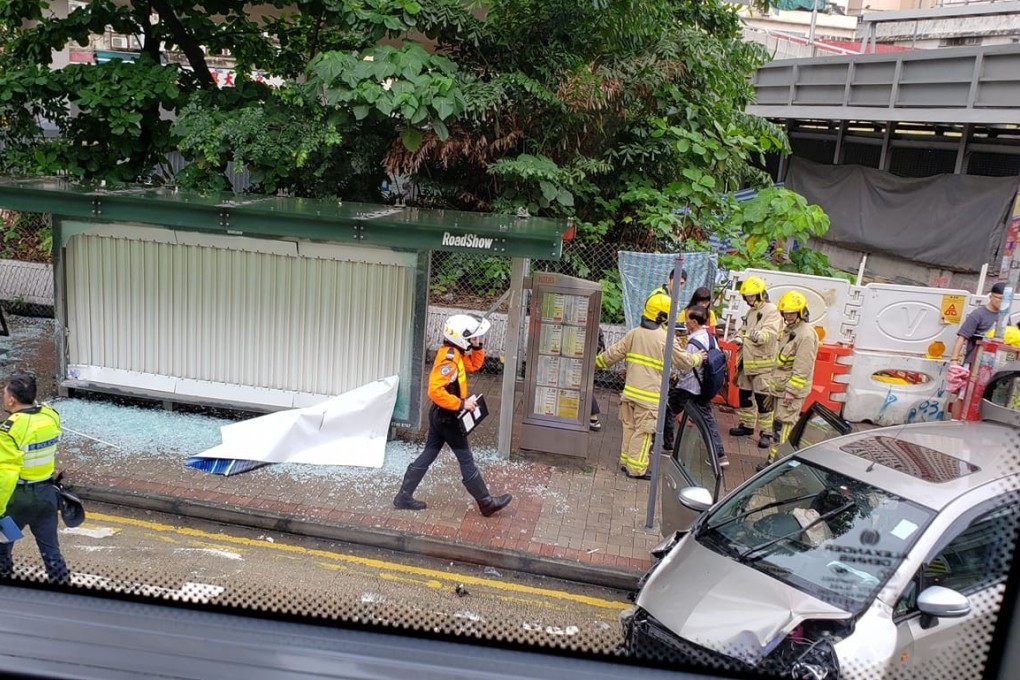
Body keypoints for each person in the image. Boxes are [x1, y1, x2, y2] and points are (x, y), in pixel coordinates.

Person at [393, 315, 512, 517]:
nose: (475, 340)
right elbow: (434, 390)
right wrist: (462, 403)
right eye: (472, 338)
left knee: (429, 453)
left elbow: (474, 365)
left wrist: (477, 346)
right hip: (448, 418)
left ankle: (403, 496)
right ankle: (486, 503)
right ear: (460, 338)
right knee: (466, 460)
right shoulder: (449, 359)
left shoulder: (454, 352)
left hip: (440, 415)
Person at [596, 292, 705, 480]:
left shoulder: (634, 333)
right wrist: (698, 357)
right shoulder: (665, 338)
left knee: (629, 428)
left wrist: (594, 363)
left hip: (629, 393)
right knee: (644, 433)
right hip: (649, 398)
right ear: (662, 317)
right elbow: (684, 362)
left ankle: (626, 462)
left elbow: (612, 354)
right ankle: (637, 469)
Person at [0, 373, 69, 584]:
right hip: (47, 495)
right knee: (51, 551)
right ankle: (63, 590)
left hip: (18, 499)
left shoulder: (9, 430)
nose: (3, 396)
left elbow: (6, 476)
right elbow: (41, 408)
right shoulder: (50, 417)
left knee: (2, 549)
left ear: (11, 399)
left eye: (4, 393)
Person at [757, 291, 819, 471]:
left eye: (792, 313)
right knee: (778, 424)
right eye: (786, 313)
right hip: (781, 388)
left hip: (790, 392)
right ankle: (774, 460)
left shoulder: (806, 334)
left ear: (801, 312)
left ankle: (777, 464)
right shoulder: (791, 330)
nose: (788, 316)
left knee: (784, 426)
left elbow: (803, 366)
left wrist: (792, 391)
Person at [729, 276, 782, 449]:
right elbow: (743, 329)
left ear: (760, 294)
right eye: (747, 297)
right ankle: (747, 426)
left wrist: (755, 336)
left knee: (763, 400)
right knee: (745, 397)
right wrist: (738, 336)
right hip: (747, 361)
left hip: (763, 365)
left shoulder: (772, 310)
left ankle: (766, 433)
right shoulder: (751, 312)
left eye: (752, 296)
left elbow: (769, 334)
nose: (750, 299)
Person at [673, 305, 728, 467]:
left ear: (695, 322)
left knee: (670, 410)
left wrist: (677, 374)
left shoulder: (693, 342)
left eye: (687, 319)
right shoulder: (710, 338)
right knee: (706, 418)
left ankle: (667, 446)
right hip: (706, 386)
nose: (685, 322)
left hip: (690, 386)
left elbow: (686, 367)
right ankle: (720, 455)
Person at [947, 281, 1006, 419]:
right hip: (973, 363)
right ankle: (955, 423)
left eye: (1005, 300)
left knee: (984, 398)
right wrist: (954, 361)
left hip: (994, 366)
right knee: (964, 395)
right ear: (991, 296)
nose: (1001, 302)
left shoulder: (1004, 318)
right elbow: (962, 337)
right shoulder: (978, 314)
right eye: (999, 298)